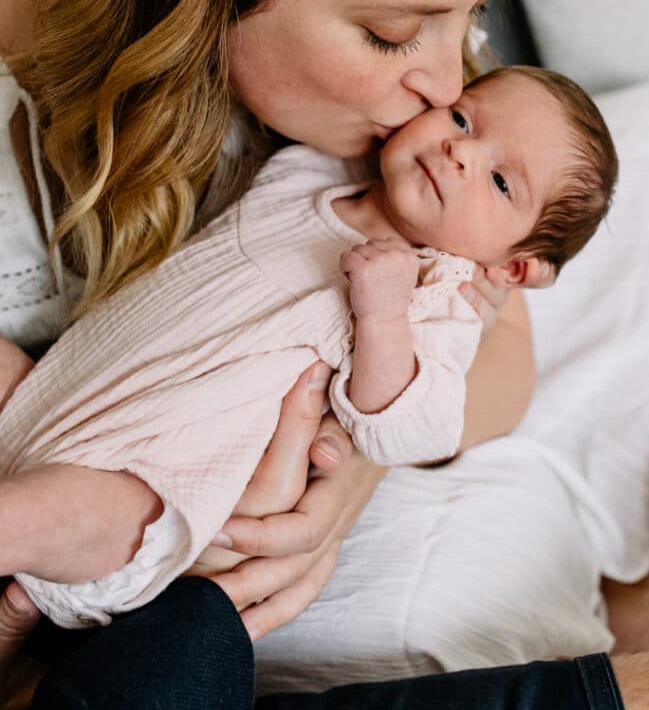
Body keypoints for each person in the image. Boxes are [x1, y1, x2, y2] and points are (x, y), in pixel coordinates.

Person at [0, 0, 649, 706]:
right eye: (391, 31)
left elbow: (494, 344)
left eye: (471, 12)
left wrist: (351, 462)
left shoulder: (404, 107)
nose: (448, 85)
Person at [0, 64, 617, 629]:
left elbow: (415, 430)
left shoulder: (439, 301)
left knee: (27, 516)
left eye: (502, 182)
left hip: (145, 491)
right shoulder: (316, 169)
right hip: (55, 392)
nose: (461, 151)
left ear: (514, 270)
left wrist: (382, 317)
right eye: (462, 118)